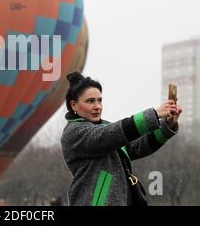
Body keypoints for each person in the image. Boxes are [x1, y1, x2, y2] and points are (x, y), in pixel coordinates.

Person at [61, 72, 183, 206]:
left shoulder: (104, 128)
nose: (97, 106)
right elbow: (109, 134)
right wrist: (154, 114)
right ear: (73, 105)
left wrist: (167, 126)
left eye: (99, 100)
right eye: (90, 101)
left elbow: (137, 147)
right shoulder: (74, 132)